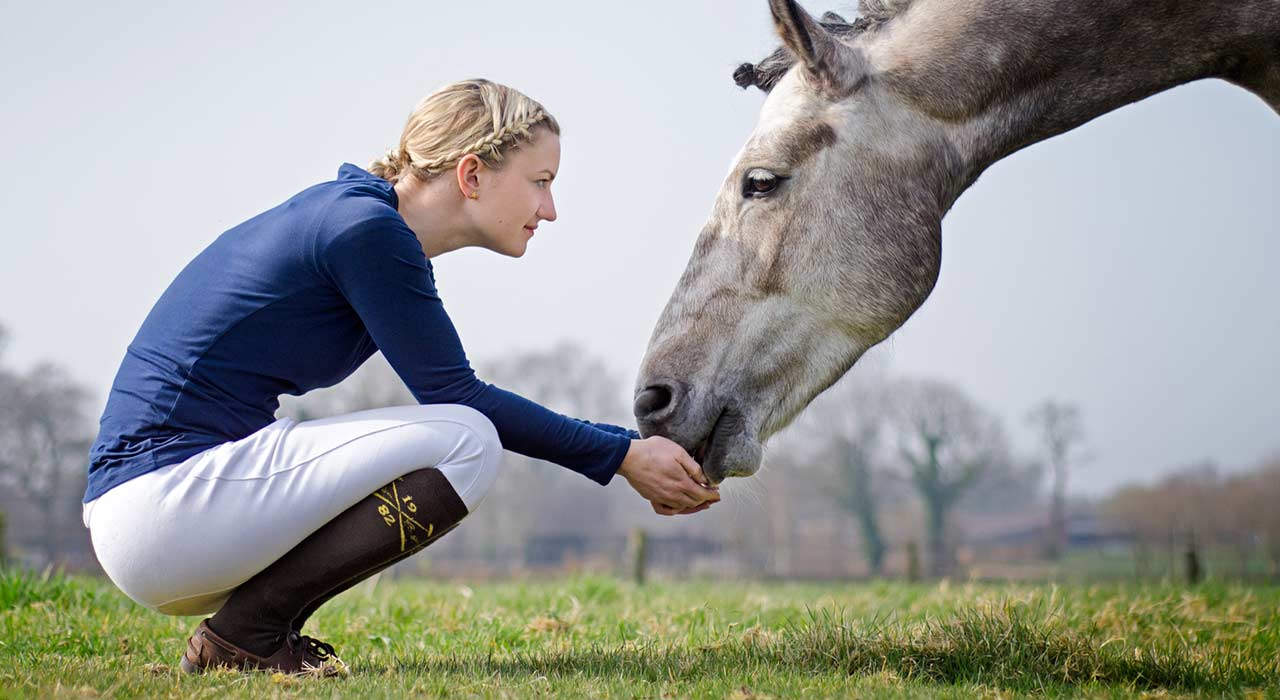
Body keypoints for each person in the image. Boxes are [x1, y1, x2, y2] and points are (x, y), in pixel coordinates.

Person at [80, 78, 720, 676]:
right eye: (540, 182)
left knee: (456, 432)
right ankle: (244, 637)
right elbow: (457, 397)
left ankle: (259, 634)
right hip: (165, 507)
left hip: (170, 515)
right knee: (465, 438)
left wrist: (622, 450)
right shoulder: (365, 230)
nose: (550, 209)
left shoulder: (358, 219)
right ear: (471, 173)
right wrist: (623, 454)